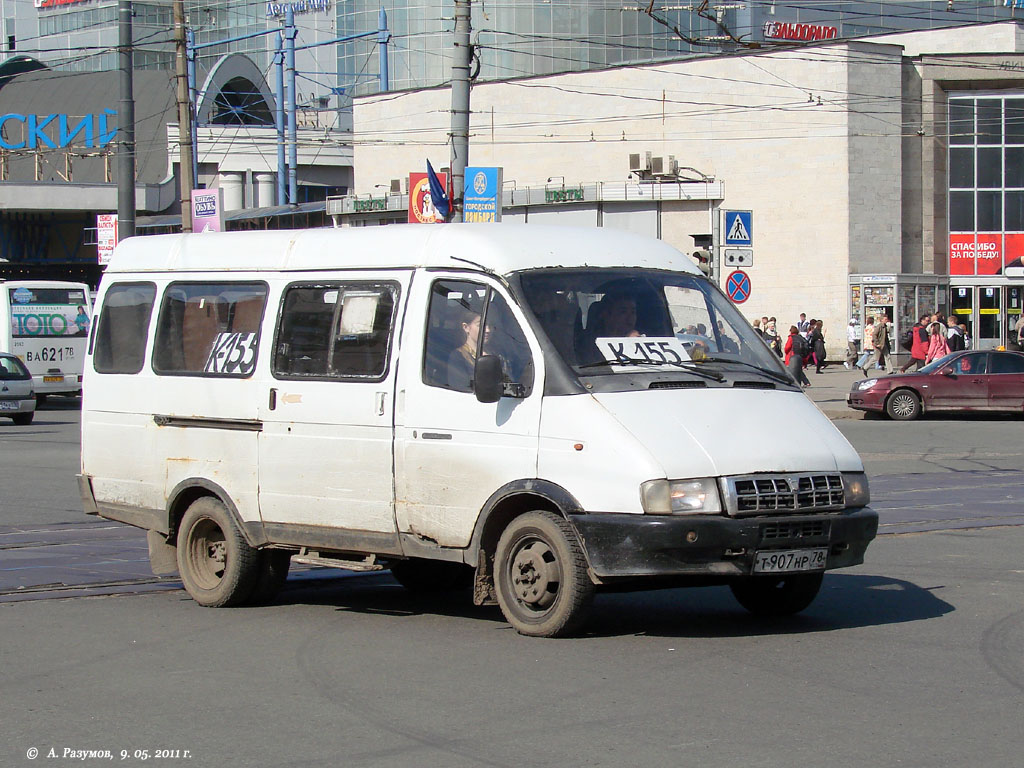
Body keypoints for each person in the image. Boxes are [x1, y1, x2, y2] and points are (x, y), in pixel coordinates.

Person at [448, 309, 487, 391]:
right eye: (480, 325)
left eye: (490, 325)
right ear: (466, 327)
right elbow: (461, 389)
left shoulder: (499, 354)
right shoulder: (458, 356)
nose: (487, 330)